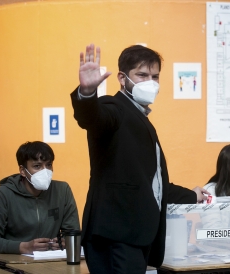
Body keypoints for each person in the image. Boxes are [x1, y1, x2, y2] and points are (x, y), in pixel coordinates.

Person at [70, 44, 209, 273]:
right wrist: (86, 93)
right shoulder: (114, 107)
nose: (150, 82)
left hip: (135, 236)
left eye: (155, 76)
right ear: (123, 79)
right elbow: (92, 117)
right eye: (142, 75)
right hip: (115, 234)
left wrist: (191, 195)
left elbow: (151, 185)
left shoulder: (141, 118)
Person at [0, 141, 80, 254]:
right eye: (37, 166)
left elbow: (73, 233)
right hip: (14, 263)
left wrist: (66, 242)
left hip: (52, 262)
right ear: (22, 171)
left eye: (49, 165)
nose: (45, 171)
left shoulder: (62, 190)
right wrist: (24, 247)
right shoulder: (3, 194)